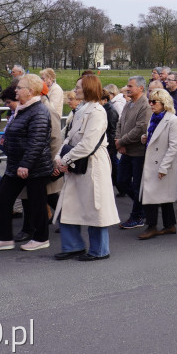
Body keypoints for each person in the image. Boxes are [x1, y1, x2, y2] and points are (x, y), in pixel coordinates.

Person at [0, 74, 54, 252]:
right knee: (4, 196)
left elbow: (37, 141)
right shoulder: (23, 108)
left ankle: (41, 238)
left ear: (30, 91)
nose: (16, 90)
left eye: (19, 87)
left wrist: (26, 164)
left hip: (34, 167)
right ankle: (4, 239)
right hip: (16, 164)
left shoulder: (39, 111)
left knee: (37, 202)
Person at [53, 74, 119, 260]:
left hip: (92, 165)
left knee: (94, 208)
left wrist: (65, 159)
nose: (75, 90)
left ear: (89, 88)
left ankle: (99, 250)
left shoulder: (97, 112)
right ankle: (72, 246)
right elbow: (68, 136)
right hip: (77, 162)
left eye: (79, 87)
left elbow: (88, 144)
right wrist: (59, 157)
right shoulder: (80, 109)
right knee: (69, 205)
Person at [137, 89, 177, 240]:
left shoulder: (173, 121)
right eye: (150, 101)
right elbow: (154, 137)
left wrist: (164, 167)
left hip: (164, 165)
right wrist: (145, 138)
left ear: (164, 103)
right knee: (161, 196)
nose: (150, 104)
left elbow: (173, 147)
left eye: (154, 102)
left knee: (154, 196)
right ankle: (170, 225)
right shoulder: (154, 117)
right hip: (152, 162)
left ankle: (152, 226)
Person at [114, 76, 150, 229]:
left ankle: (138, 215)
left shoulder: (145, 106)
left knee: (137, 185)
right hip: (125, 151)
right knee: (121, 181)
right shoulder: (128, 104)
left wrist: (122, 141)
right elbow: (120, 123)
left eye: (130, 86)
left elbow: (140, 129)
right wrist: (118, 140)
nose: (127, 88)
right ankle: (144, 207)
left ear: (141, 88)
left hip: (138, 152)